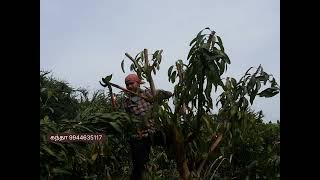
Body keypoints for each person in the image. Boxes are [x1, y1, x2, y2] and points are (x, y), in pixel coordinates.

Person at [123, 73, 172, 180]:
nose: (129, 87)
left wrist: (155, 97)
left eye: (131, 83)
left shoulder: (148, 93)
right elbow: (127, 119)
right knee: (140, 164)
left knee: (172, 138)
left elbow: (168, 94)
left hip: (152, 132)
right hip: (138, 136)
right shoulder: (127, 102)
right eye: (127, 85)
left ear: (138, 83)